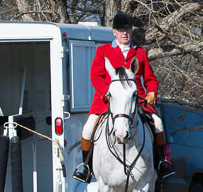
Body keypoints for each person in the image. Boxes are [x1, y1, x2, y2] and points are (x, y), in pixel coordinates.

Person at [72, 12, 175, 182]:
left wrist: (151, 93)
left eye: (127, 29)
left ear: (131, 31)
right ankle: (86, 167)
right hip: (107, 100)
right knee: (88, 129)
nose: (125, 33)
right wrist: (106, 91)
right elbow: (95, 76)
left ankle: (160, 163)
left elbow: (150, 78)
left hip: (136, 100)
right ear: (114, 32)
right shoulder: (103, 51)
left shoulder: (140, 53)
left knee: (158, 124)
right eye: (121, 30)